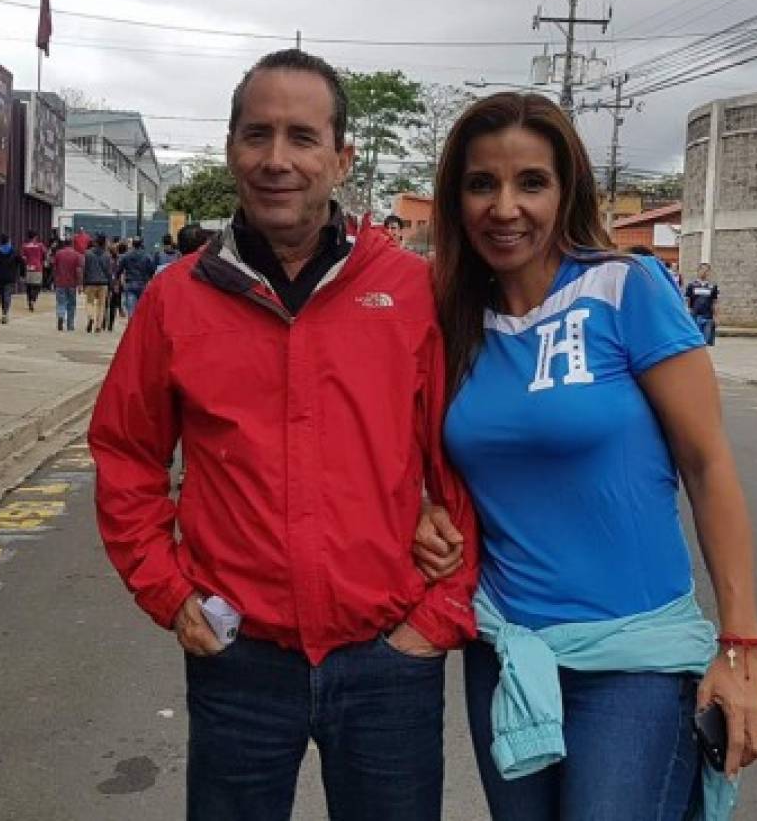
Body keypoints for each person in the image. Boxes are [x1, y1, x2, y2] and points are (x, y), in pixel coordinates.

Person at [89, 48, 478, 821]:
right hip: (238, 658)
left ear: (341, 158)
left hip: (388, 659)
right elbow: (127, 454)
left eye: (302, 138)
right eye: (256, 135)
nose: (277, 160)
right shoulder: (176, 299)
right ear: (230, 149)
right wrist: (166, 590)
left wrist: (439, 614)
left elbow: (465, 453)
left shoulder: (409, 292)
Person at [413, 93, 757, 820]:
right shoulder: (450, 318)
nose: (504, 207)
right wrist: (421, 512)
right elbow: (428, 457)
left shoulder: (625, 287)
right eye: (481, 183)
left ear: (567, 189)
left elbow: (707, 467)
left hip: (633, 661)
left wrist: (741, 649)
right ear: (455, 199)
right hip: (509, 655)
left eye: (531, 183)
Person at [83, 234, 115, 333]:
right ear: (104, 243)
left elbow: (85, 269)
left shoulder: (87, 254)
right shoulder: (107, 255)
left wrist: (83, 282)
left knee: (90, 302)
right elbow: (109, 271)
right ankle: (98, 325)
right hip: (103, 283)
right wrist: (111, 284)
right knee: (101, 305)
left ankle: (90, 317)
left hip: (90, 281)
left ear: (95, 242)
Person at [117, 236, 155, 318]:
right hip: (143, 283)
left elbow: (119, 270)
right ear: (141, 244)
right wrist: (149, 278)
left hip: (130, 283)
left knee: (131, 310)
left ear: (133, 244)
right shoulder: (147, 256)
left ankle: (132, 325)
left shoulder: (126, 256)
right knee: (142, 309)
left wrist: (117, 280)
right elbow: (152, 269)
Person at [51, 237, 83, 332]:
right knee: (71, 304)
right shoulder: (77, 255)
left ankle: (61, 316)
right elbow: (79, 271)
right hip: (72, 283)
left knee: (61, 302)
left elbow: (54, 268)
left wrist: (54, 279)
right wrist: (80, 284)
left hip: (60, 282)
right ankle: (70, 324)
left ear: (64, 244)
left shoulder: (58, 254)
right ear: (72, 244)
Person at [686, 262, 720, 346]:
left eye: (706, 270)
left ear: (709, 272)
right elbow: (687, 301)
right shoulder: (691, 285)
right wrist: (688, 315)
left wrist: (716, 317)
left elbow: (715, 302)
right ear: (698, 271)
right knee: (696, 341)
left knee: (706, 341)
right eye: (702, 269)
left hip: (708, 317)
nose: (704, 272)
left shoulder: (713, 286)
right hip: (695, 316)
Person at [0, 233, 25, 324]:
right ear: (9, 241)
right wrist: (22, 274)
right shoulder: (14, 252)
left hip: (0, 276)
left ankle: (3, 311)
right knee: (7, 294)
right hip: (11, 277)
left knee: (2, 295)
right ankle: (5, 313)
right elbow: (22, 262)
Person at [104, 241, 127, 332]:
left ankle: (103, 322)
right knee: (113, 305)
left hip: (107, 283)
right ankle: (110, 325)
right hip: (116, 284)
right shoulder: (120, 260)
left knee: (106, 304)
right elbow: (120, 273)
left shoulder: (107, 260)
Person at [21, 230, 47, 311]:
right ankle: (33, 299)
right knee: (38, 285)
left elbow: (23, 257)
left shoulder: (24, 246)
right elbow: (45, 253)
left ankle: (29, 301)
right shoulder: (40, 245)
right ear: (35, 237)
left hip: (28, 267)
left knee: (29, 286)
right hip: (37, 267)